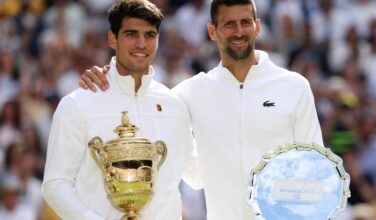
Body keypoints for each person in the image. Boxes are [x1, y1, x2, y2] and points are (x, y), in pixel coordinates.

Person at [79, 0, 324, 219]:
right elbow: (139, 101)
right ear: (212, 32)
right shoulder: (188, 94)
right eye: (229, 24)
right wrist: (107, 77)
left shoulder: (294, 87)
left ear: (257, 27)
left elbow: (316, 170)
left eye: (245, 23)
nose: (238, 32)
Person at [42, 0, 200, 219]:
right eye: (131, 34)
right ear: (112, 39)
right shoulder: (78, 103)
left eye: (150, 35)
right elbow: (55, 184)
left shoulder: (175, 104)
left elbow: (197, 176)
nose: (141, 44)